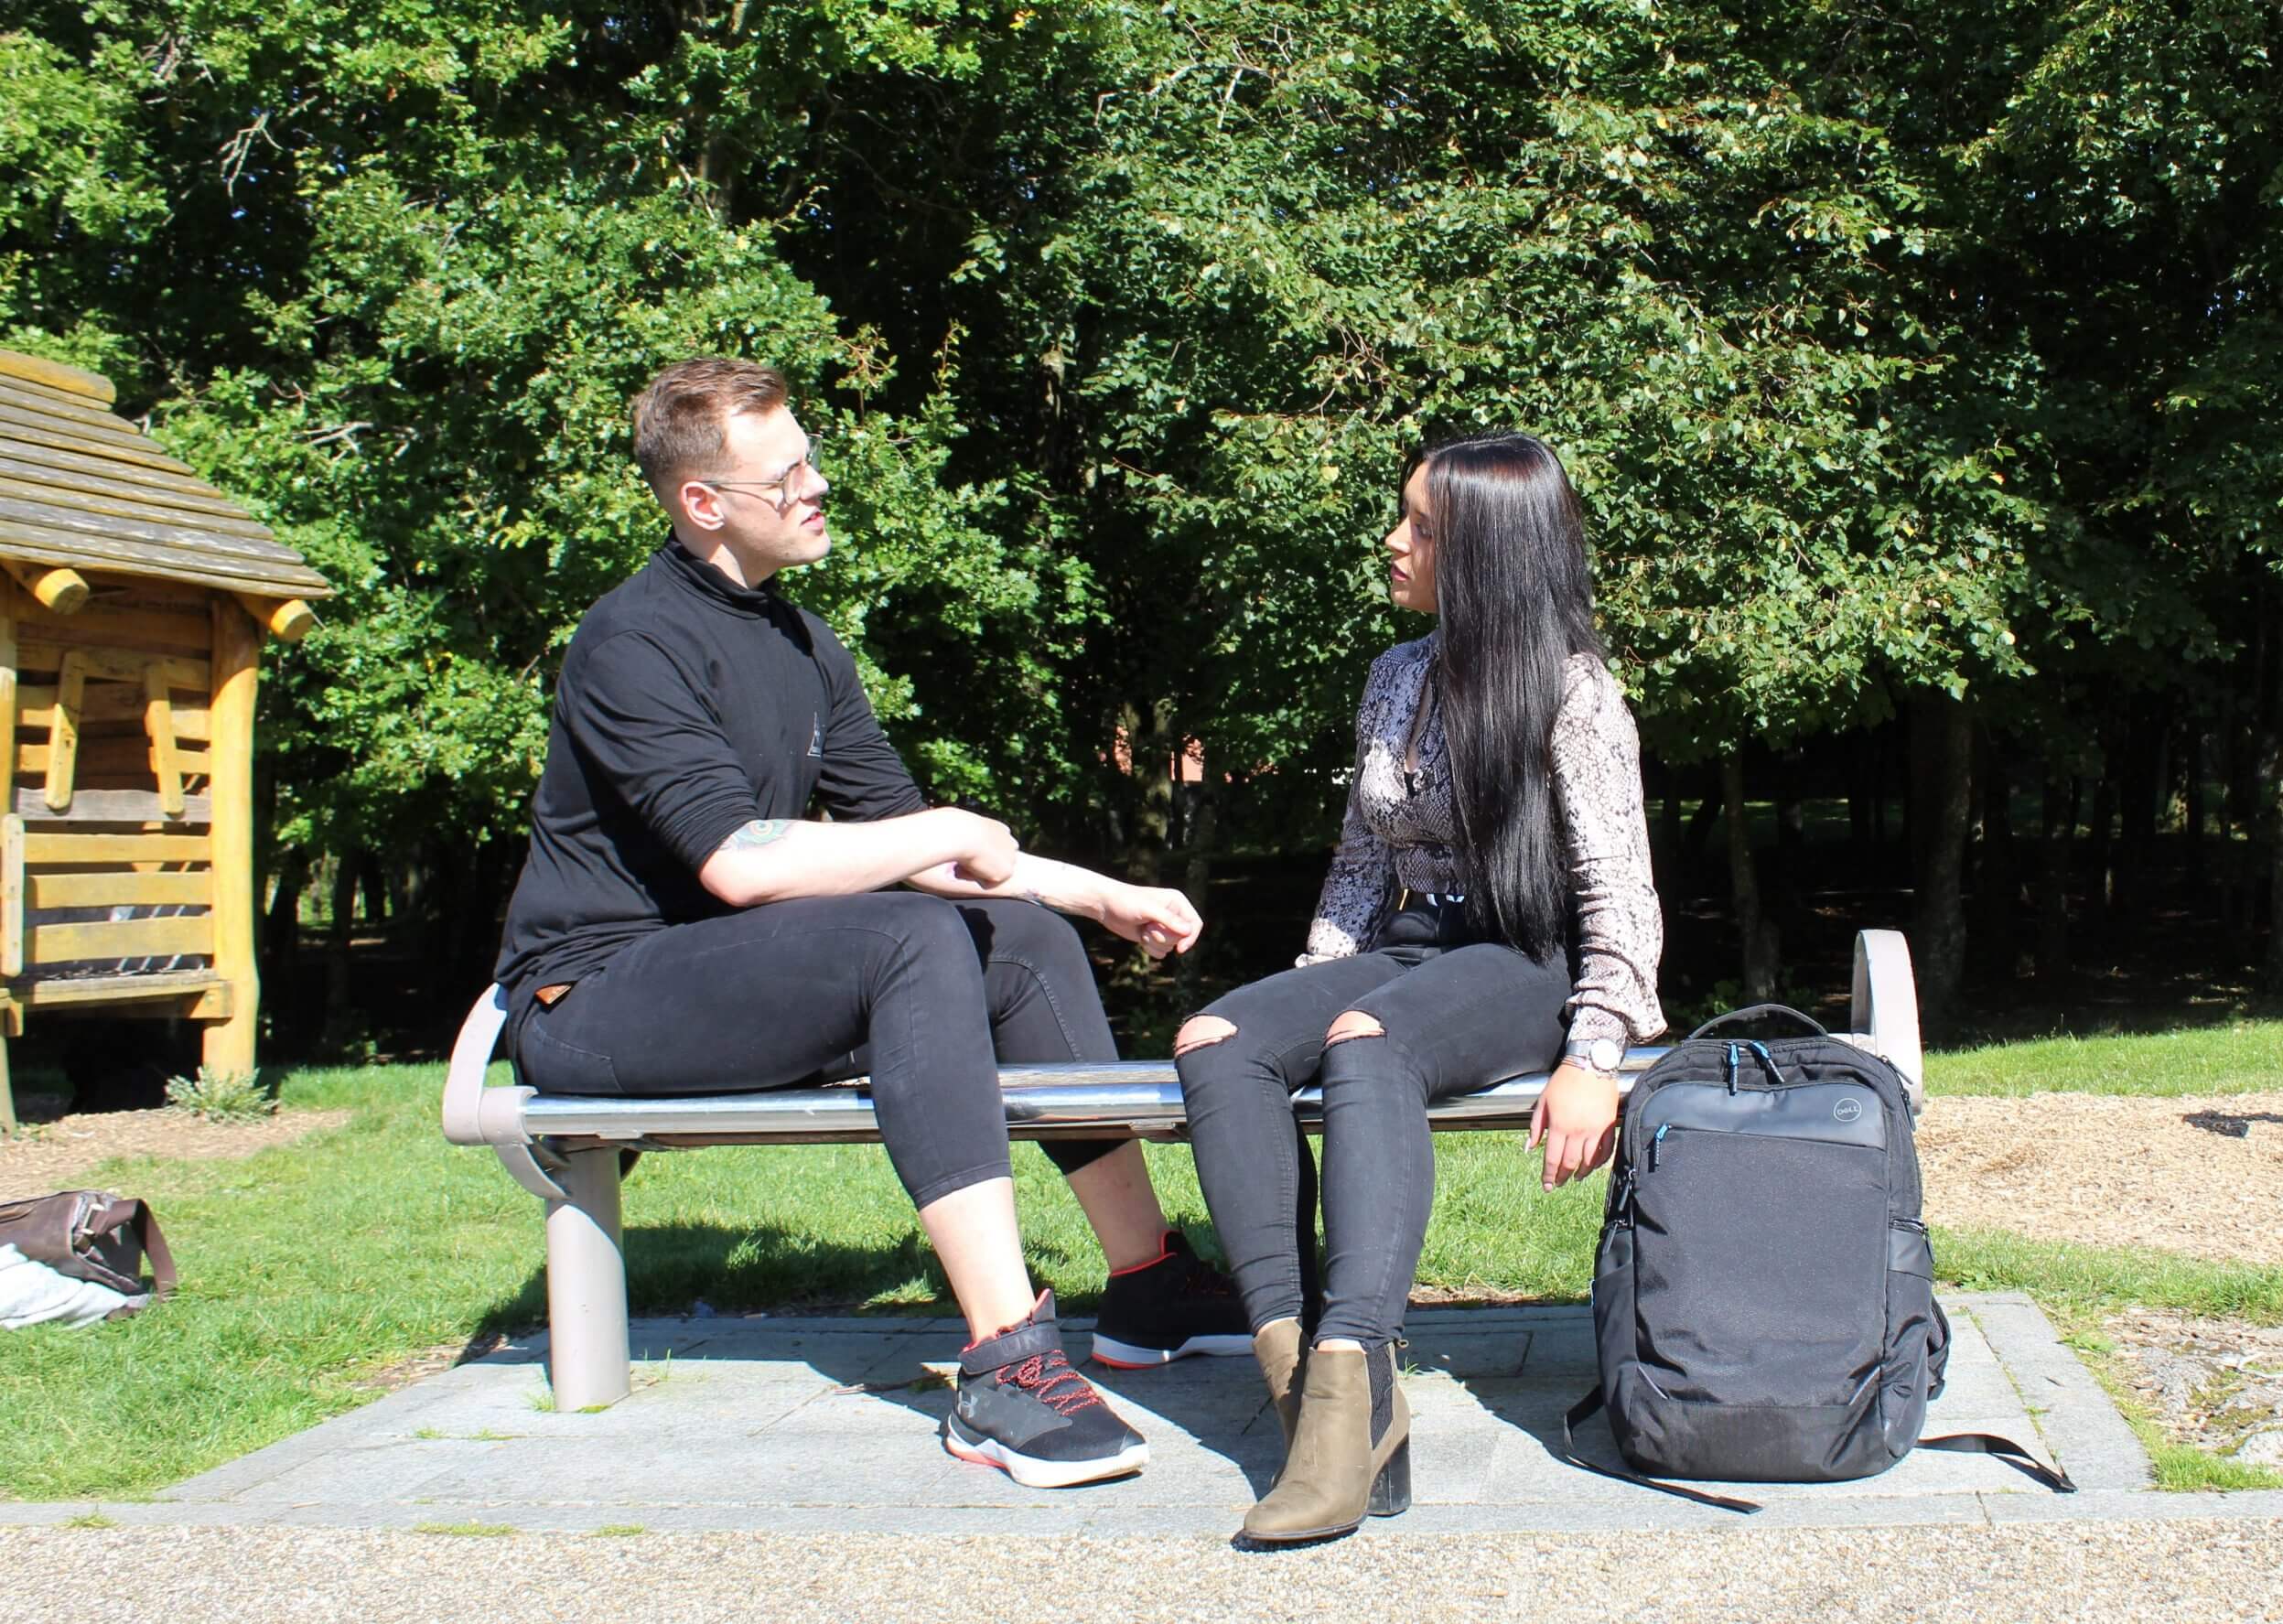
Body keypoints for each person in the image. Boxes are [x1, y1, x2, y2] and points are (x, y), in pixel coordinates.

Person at [493, 358, 1250, 1490]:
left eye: (807, 456)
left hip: (733, 972)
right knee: (908, 934)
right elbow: (740, 865)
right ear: (704, 503)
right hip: (595, 994)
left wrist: (1097, 894)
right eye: (785, 471)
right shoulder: (631, 643)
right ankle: (1003, 1362)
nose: (816, 483)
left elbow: (916, 838)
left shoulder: (802, 642)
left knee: (1019, 933)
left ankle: (1146, 1281)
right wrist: (951, 826)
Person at [1172, 431, 1665, 1543]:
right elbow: (1359, 862)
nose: (1392, 543)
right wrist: (1305, 990)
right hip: (1401, 951)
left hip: (1522, 961)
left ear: (1485, 549)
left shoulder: (1575, 695)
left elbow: (1619, 898)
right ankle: (1309, 1385)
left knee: (1364, 1037)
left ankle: (1355, 1379)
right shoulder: (1394, 677)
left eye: (1420, 527)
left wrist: (1595, 1057)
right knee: (1214, 1036)